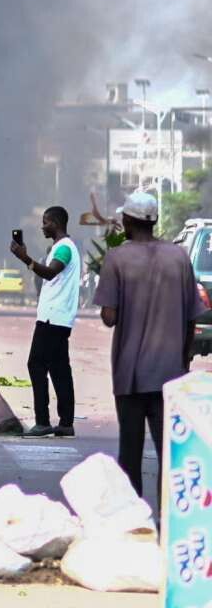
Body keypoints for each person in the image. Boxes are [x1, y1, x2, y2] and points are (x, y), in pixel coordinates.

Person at [96, 190, 202, 502]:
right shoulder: (179, 257)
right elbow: (191, 319)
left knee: (129, 453)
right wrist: (183, 360)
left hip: (130, 375)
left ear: (128, 221)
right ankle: (168, 518)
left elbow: (109, 317)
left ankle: (134, 519)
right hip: (170, 373)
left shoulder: (117, 258)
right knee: (169, 453)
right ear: (153, 221)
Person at [9, 205, 80, 437]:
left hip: (52, 318)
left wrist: (25, 258)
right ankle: (66, 423)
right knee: (59, 369)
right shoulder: (61, 247)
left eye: (45, 222)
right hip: (58, 317)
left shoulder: (64, 248)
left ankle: (42, 421)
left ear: (56, 223)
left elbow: (50, 272)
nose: (42, 227)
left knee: (36, 364)